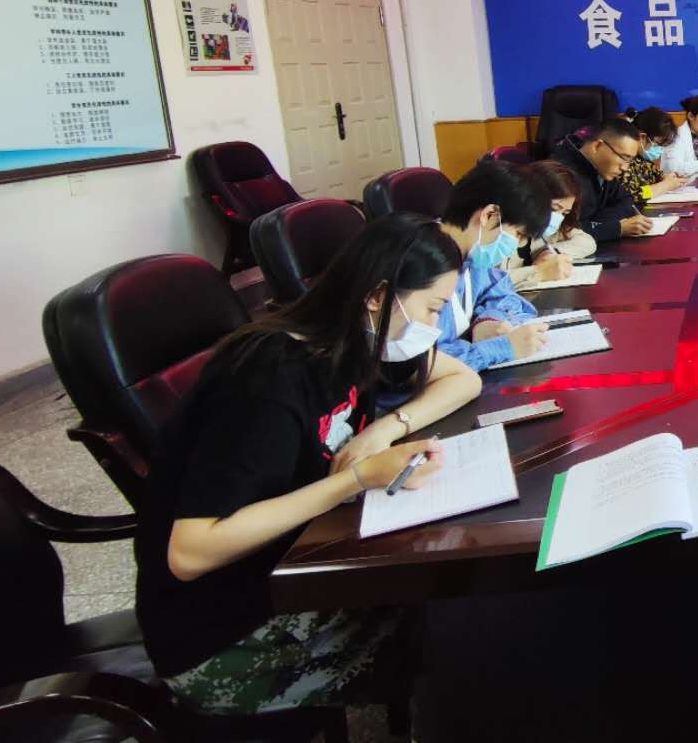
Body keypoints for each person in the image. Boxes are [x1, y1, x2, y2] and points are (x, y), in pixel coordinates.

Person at [135, 214, 481, 714]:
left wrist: (386, 428)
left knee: (460, 599)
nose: (432, 328)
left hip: (295, 570)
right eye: (432, 309)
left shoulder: (358, 340)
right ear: (378, 296)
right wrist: (357, 478)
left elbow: (463, 379)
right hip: (227, 641)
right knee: (456, 628)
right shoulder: (267, 378)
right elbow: (190, 552)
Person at [433, 159, 553, 372]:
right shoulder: (423, 265)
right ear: (489, 216)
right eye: (518, 234)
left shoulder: (473, 255)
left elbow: (504, 294)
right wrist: (501, 348)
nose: (518, 244)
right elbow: (419, 364)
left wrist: (488, 320)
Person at [495, 160, 598, 290]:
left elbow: (587, 242)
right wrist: (539, 272)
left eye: (564, 213)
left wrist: (550, 253)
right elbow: (487, 284)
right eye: (554, 208)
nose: (557, 218)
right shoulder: (500, 234)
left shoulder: (551, 231)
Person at [553, 117, 655, 241]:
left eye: (629, 160)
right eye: (624, 158)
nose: (625, 168)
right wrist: (616, 228)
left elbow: (626, 199)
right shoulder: (561, 176)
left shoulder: (602, 169)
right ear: (597, 146)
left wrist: (597, 223)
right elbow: (559, 231)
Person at [619, 106, 694, 207]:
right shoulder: (624, 161)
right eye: (657, 144)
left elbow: (659, 178)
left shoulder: (644, 160)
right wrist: (665, 185)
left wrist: (670, 179)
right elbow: (632, 196)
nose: (660, 149)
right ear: (642, 137)